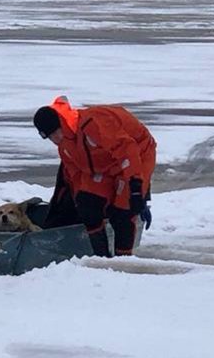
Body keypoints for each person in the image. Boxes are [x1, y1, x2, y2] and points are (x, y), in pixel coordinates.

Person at [32, 96, 156, 257]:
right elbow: (76, 175)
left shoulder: (95, 125)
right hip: (105, 165)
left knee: (123, 211)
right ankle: (101, 258)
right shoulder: (65, 146)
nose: (55, 139)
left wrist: (136, 187)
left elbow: (128, 151)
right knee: (88, 207)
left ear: (61, 124)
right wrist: (80, 199)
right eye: (49, 137)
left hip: (137, 155)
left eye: (55, 133)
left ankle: (123, 261)